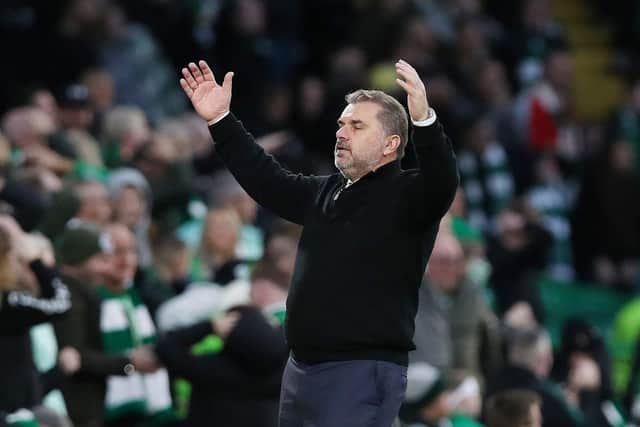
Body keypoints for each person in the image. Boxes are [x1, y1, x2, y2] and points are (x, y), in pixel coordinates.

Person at [179, 58, 458, 426]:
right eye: (342, 124)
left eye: (357, 125)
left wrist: (424, 120)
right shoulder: (327, 190)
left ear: (391, 143)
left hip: (361, 370)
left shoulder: (410, 194)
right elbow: (267, 180)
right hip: (301, 368)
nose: (342, 132)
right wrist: (220, 120)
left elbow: (442, 181)